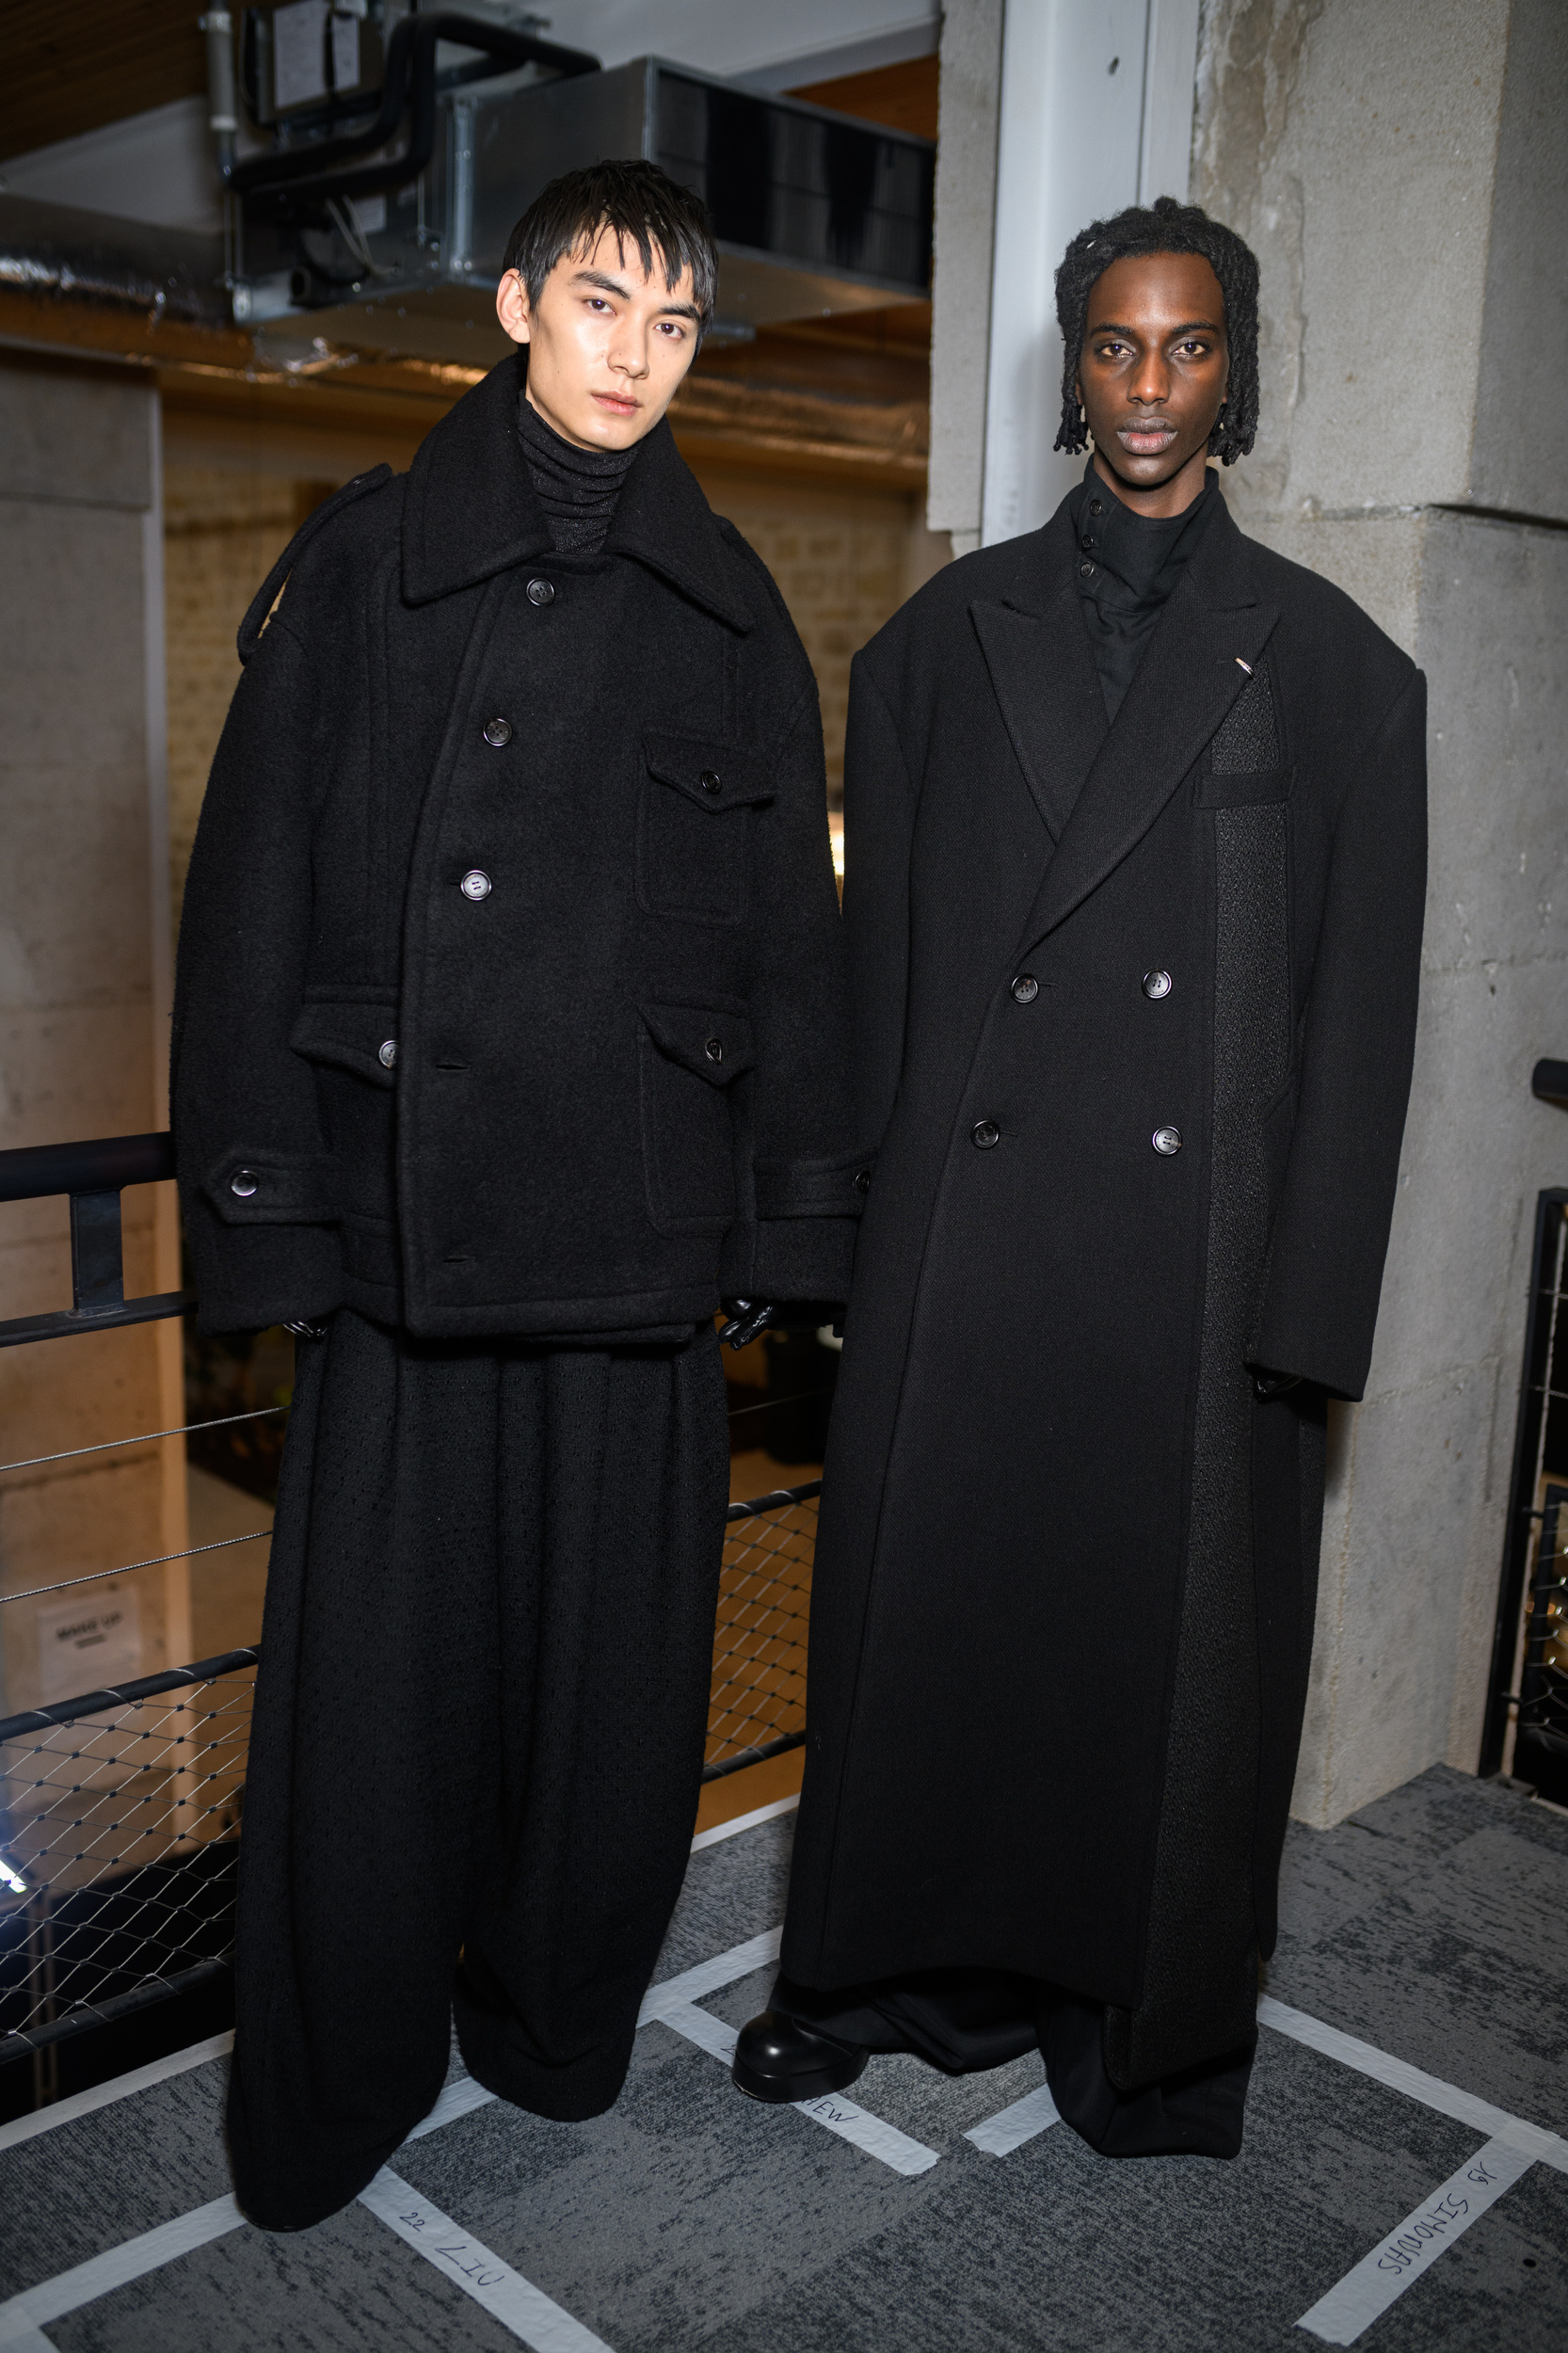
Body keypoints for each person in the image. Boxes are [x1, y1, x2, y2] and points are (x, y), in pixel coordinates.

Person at [172, 160, 861, 2231]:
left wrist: (788, 1236)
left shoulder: (733, 603)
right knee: (367, 1731)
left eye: (671, 326)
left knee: (612, 1715)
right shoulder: (366, 566)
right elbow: (248, 906)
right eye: (599, 308)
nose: (636, 358)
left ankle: (557, 2026)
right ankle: (333, 2079)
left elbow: (785, 958)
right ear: (508, 306)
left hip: (640, 1251)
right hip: (406, 1242)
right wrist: (269, 1229)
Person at [733, 196, 1427, 2159]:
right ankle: (877, 1972)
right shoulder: (934, 647)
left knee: (1165, 1684)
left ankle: (1146, 2027)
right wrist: (843, 1254)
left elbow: (1358, 1030)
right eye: (1113, 346)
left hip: (1192, 1284)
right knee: (932, 1633)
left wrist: (1302, 1320)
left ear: (1235, 365)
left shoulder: (1340, 673)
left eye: (1184, 346)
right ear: (1072, 364)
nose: (1146, 386)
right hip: (968, 1258)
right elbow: (879, 992)